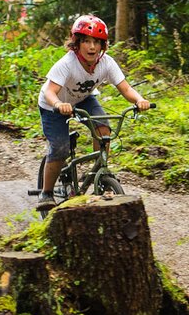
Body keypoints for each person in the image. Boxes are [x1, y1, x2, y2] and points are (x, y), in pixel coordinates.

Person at [36, 14, 151, 211]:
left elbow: (125, 89)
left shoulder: (106, 62)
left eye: (97, 42)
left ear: (102, 45)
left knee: (103, 129)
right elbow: (49, 91)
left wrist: (140, 100)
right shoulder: (67, 63)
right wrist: (59, 104)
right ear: (77, 43)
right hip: (53, 106)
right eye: (86, 41)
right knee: (61, 148)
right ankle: (46, 193)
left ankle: (100, 171)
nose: (92, 47)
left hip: (83, 99)